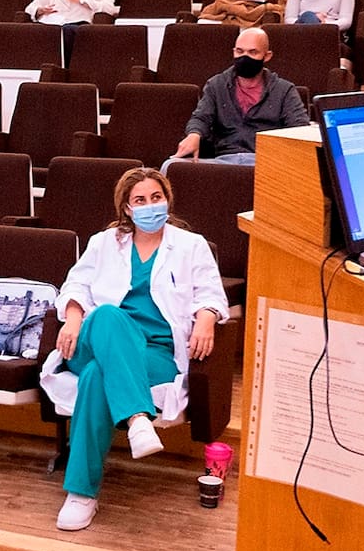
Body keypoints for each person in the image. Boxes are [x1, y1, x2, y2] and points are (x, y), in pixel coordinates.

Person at [39, 167, 229, 531]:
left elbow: (210, 293)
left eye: (155, 198)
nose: (149, 206)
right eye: (140, 200)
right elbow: (75, 284)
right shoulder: (104, 242)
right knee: (109, 316)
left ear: (167, 199)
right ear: (126, 208)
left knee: (97, 376)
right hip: (93, 340)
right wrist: (76, 319)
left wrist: (206, 318)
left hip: (155, 354)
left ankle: (82, 493)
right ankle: (138, 419)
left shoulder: (191, 245)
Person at [168, 27, 310, 166]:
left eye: (252, 52)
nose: (244, 57)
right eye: (240, 51)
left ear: (267, 56)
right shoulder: (216, 84)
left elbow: (299, 128)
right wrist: (194, 134)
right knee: (171, 165)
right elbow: (201, 117)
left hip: (265, 163)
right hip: (222, 161)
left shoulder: (284, 90)